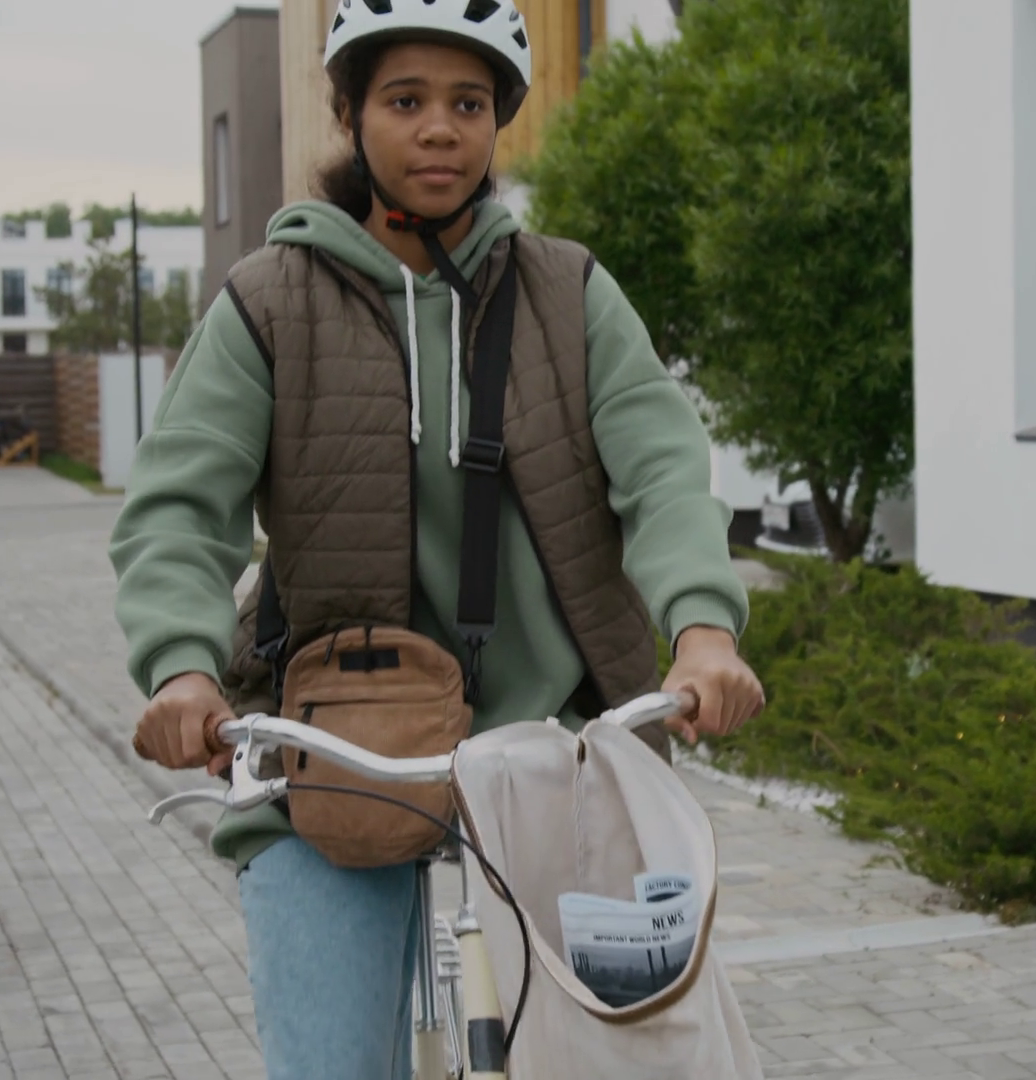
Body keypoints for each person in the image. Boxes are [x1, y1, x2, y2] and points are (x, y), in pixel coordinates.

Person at [110, 0, 764, 1074]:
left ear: (498, 122)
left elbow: (661, 474)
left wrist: (703, 630)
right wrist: (181, 668)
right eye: (405, 100)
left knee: (623, 1056)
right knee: (330, 1063)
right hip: (334, 749)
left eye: (468, 104)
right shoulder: (271, 302)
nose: (439, 129)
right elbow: (178, 507)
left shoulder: (569, 293)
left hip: (552, 751)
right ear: (351, 115)